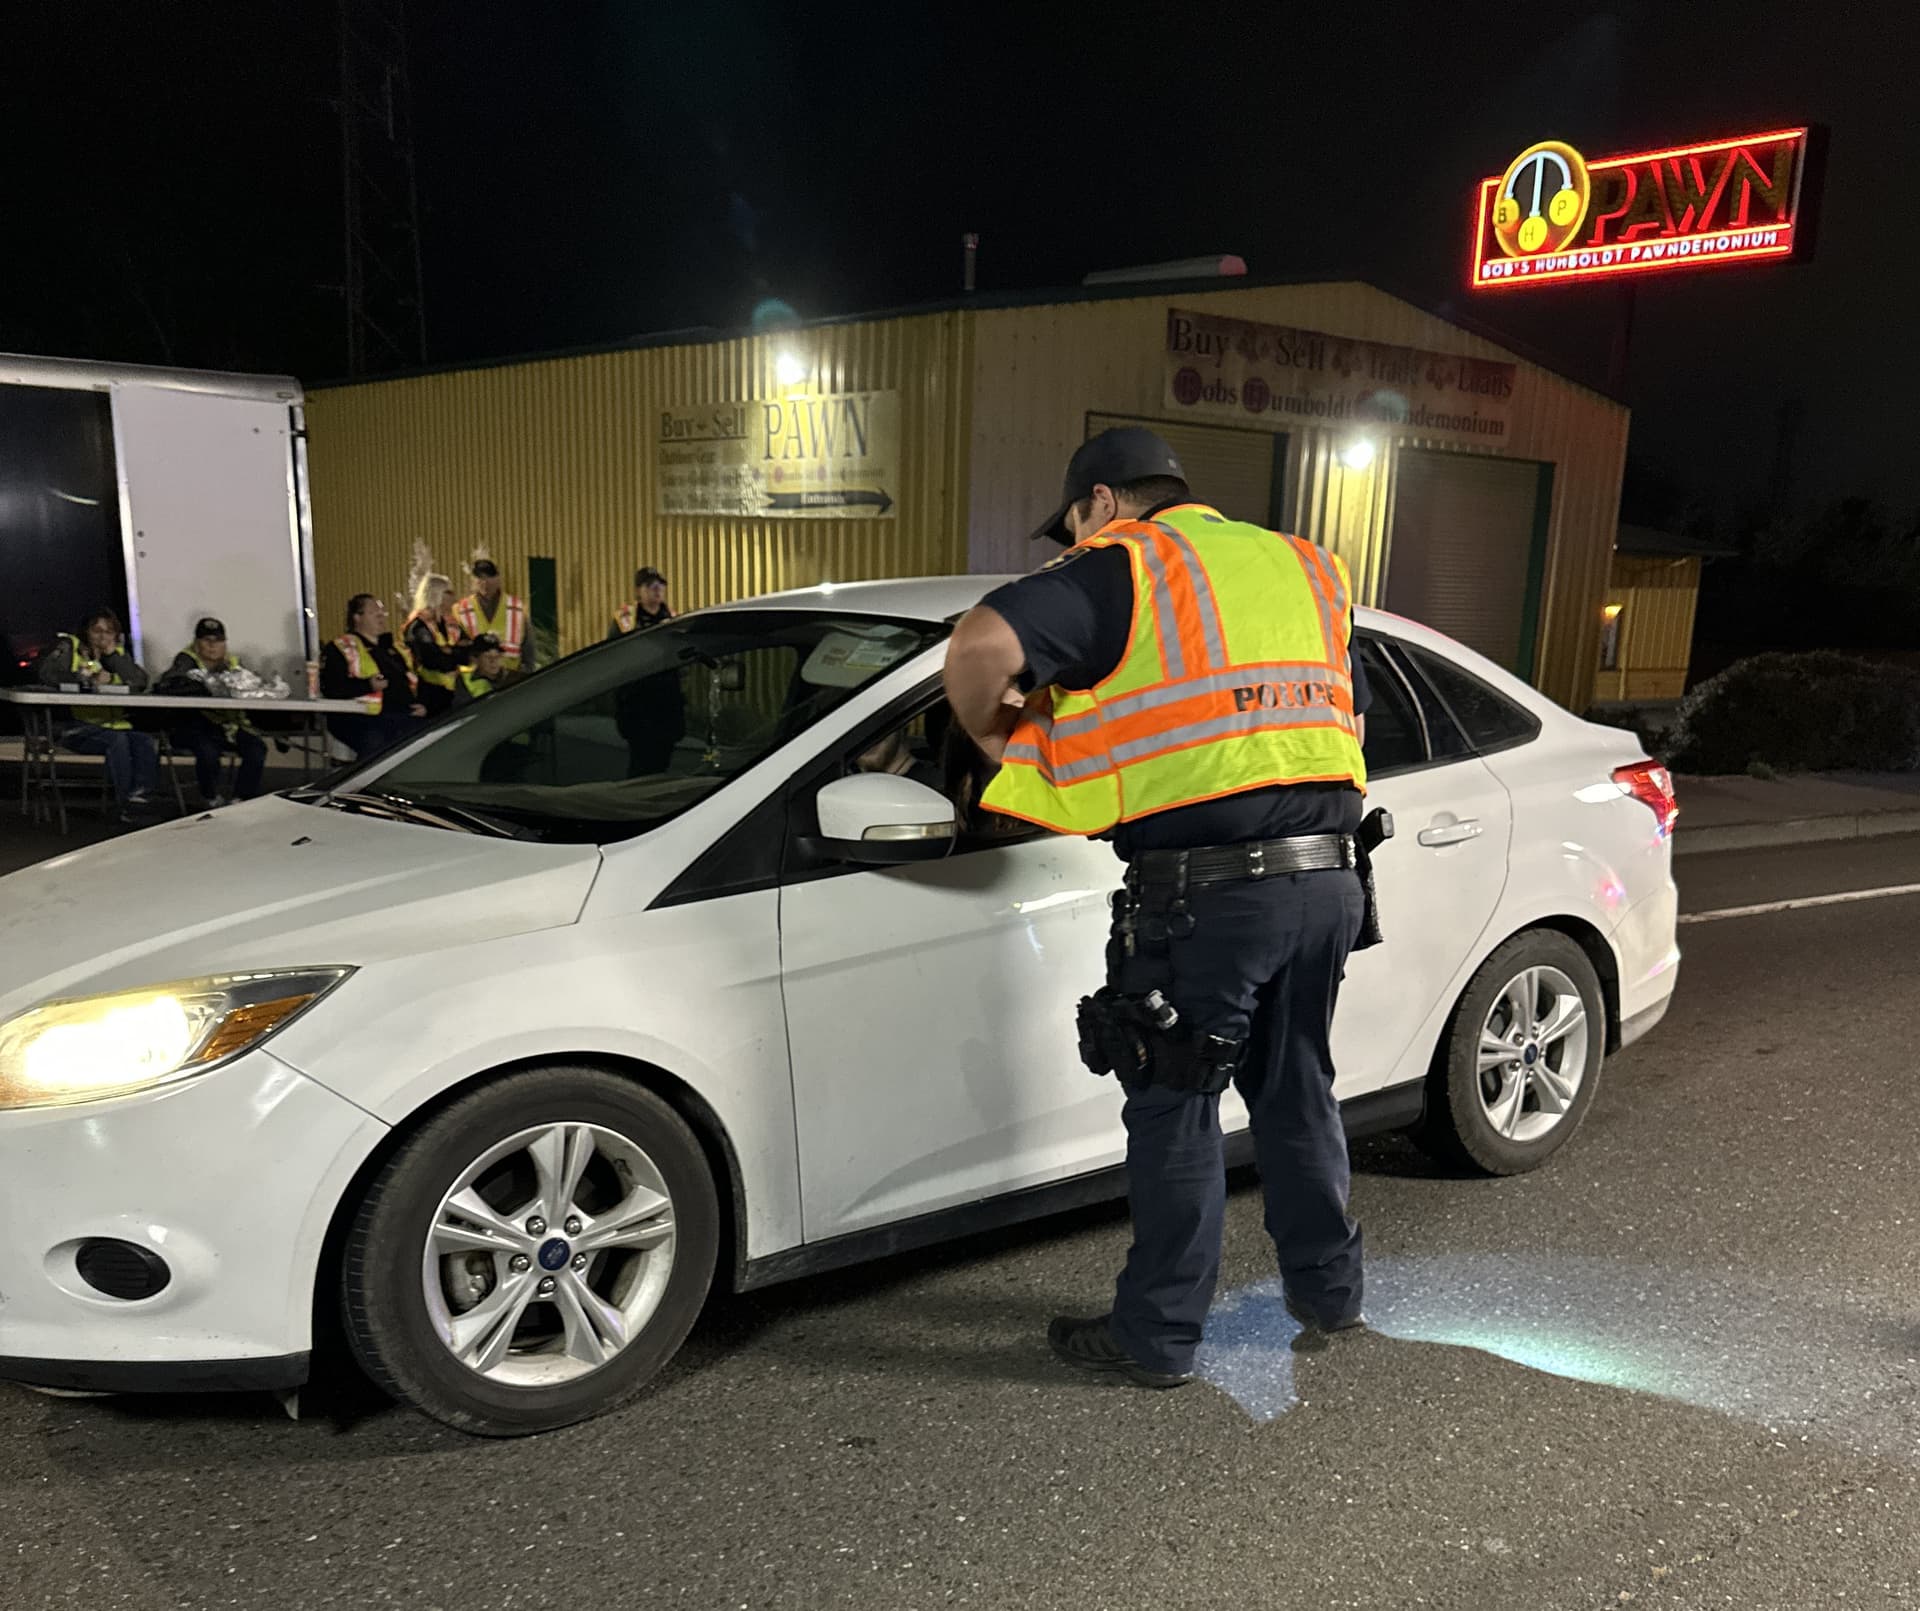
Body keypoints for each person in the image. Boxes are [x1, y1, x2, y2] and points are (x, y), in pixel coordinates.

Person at [943, 426, 1377, 1391]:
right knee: (1295, 1084)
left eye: (1071, 526)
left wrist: (1004, 749)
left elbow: (979, 646)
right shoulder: (1305, 565)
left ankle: (1160, 1333)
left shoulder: (1123, 566)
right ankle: (1331, 1290)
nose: (1068, 546)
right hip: (1331, 877)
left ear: (1101, 501)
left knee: (1175, 1097)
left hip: (1207, 898)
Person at [37, 607, 159, 820]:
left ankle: (141, 797)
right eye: (97, 631)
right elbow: (47, 673)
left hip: (111, 724)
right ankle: (124, 805)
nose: (103, 636)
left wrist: (112, 664)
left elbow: (139, 682)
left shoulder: (117, 655)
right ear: (86, 632)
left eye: (109, 631)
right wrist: (84, 678)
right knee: (117, 741)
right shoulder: (70, 647)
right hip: (72, 726)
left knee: (144, 741)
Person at [156, 616, 268, 805]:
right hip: (193, 725)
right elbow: (170, 686)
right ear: (197, 643)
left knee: (257, 749)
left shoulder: (233, 664)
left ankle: (242, 799)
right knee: (208, 752)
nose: (212, 646)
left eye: (218, 641)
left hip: (228, 726)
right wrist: (205, 686)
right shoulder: (185, 662)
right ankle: (210, 797)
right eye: (207, 641)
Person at [320, 593, 425, 758]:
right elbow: (332, 688)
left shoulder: (394, 649)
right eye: (374, 612)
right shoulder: (342, 647)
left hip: (401, 715)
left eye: (382, 612)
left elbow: (409, 680)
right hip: (359, 718)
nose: (381, 616)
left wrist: (419, 704)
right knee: (377, 742)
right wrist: (368, 685)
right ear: (357, 617)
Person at [401, 573, 473, 718]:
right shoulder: (418, 626)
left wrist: (449, 651)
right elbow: (433, 660)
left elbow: (470, 653)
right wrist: (455, 652)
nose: (454, 597)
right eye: (448, 592)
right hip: (430, 694)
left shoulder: (451, 623)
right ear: (436, 595)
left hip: (454, 692)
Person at [450, 558, 535, 674]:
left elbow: (528, 647)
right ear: (473, 580)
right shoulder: (459, 609)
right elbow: (455, 649)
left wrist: (528, 674)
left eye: (489, 577)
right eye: (480, 578)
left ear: (498, 578)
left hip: (510, 677)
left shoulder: (517, 607)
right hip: (474, 681)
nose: (485, 583)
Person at [609, 566, 672, 639]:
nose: (657, 589)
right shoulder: (625, 620)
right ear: (638, 591)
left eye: (661, 584)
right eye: (650, 585)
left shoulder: (673, 617)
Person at [453, 634, 513, 706]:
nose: (493, 661)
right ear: (475, 659)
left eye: (497, 656)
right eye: (487, 656)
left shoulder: (512, 677)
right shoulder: (465, 680)